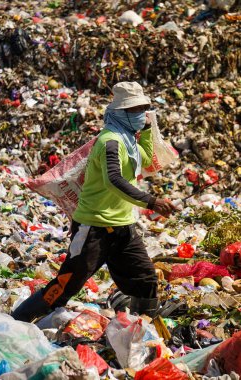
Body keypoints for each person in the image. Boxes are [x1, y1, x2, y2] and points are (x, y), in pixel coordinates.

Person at [12, 81, 176, 322]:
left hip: (122, 227)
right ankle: (18, 320)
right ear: (119, 113)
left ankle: (144, 333)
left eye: (143, 109)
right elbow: (114, 180)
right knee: (66, 284)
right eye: (135, 110)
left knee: (145, 280)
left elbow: (145, 156)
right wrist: (151, 202)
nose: (140, 114)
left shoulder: (129, 141)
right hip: (93, 229)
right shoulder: (110, 141)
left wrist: (148, 130)